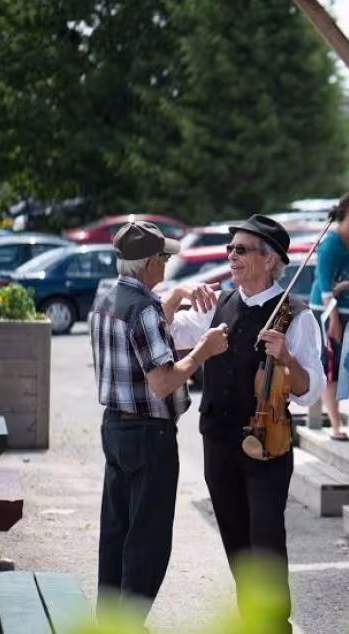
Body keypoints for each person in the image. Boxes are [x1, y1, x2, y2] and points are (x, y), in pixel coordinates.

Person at [169, 214, 324, 632]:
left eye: (241, 250)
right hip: (218, 440)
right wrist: (178, 293)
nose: (231, 257)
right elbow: (168, 330)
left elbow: (310, 391)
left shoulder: (297, 315)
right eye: (230, 249)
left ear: (270, 260)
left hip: (268, 442)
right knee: (236, 540)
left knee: (266, 540)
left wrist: (287, 357)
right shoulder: (217, 305)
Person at [90, 221, 229, 622]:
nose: (167, 264)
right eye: (164, 258)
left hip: (116, 428)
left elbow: (144, 335)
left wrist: (178, 295)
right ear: (150, 263)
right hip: (149, 435)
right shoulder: (144, 310)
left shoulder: (108, 300)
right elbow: (164, 382)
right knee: (147, 542)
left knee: (116, 534)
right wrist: (203, 351)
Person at [309, 192, 349, 441]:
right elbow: (325, 283)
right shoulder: (331, 243)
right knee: (331, 364)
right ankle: (336, 424)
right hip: (327, 308)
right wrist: (333, 318)